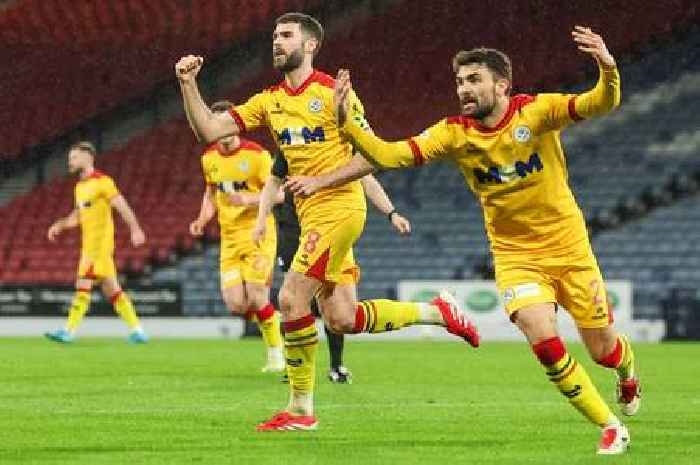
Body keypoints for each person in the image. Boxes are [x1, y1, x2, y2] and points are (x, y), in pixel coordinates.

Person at [286, 26, 639, 454]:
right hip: (515, 256)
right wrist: (348, 124)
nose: (464, 89)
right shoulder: (454, 133)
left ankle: (626, 375)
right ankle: (609, 424)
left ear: (502, 84)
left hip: (570, 250)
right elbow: (390, 155)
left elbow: (602, 101)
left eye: (474, 80)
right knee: (541, 337)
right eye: (460, 82)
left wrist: (607, 66)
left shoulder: (538, 112)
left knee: (603, 349)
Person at [176, 12, 479, 432]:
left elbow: (371, 156)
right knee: (342, 318)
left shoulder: (333, 94)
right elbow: (209, 128)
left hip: (340, 209)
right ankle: (437, 312)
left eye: (286, 36)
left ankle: (301, 410)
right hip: (310, 214)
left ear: (310, 45)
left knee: (290, 300)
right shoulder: (270, 100)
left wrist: (320, 181)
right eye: (275, 36)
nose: (277, 43)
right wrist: (188, 85)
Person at [272, 151, 414, 384]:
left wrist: (392, 213)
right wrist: (260, 217)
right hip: (294, 233)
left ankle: (334, 365)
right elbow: (273, 186)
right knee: (292, 301)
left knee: (334, 313)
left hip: (330, 231)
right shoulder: (290, 147)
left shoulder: (339, 151)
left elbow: (367, 178)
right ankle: (295, 369)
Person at [189, 101, 285, 373]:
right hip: (229, 239)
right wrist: (202, 218)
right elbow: (211, 194)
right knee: (236, 304)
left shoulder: (258, 156)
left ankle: (276, 354)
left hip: (259, 234)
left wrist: (248, 198)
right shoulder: (209, 158)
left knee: (256, 297)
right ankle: (276, 323)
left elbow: (278, 194)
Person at [45, 141, 148, 344]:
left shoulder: (103, 182)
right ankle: (137, 330)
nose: (70, 162)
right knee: (113, 290)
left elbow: (121, 205)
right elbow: (78, 215)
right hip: (89, 245)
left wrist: (135, 228)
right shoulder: (80, 187)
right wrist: (60, 224)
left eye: (74, 158)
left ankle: (68, 331)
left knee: (82, 283)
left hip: (100, 246)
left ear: (88, 157)